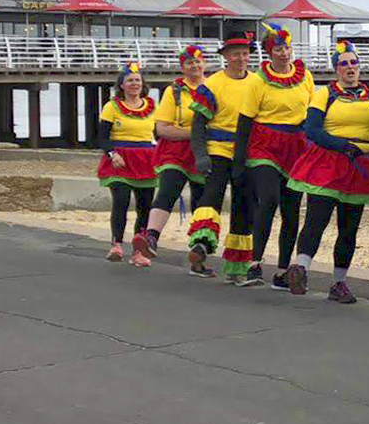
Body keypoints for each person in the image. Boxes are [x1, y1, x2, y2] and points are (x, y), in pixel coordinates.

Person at [284, 42, 369, 302]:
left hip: (360, 166)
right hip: (329, 162)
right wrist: (343, 146)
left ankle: (339, 283)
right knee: (317, 219)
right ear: (336, 69)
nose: (350, 67)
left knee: (349, 228)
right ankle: (301, 269)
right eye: (344, 64)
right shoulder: (325, 94)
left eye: (353, 63)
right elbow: (313, 130)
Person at [233, 24, 316, 288]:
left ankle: (282, 271)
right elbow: (244, 122)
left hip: (296, 145)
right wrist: (238, 162)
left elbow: (313, 113)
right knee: (268, 199)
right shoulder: (258, 81)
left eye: (287, 48)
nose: (284, 53)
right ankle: (254, 264)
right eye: (278, 49)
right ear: (269, 53)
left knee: (291, 210)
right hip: (265, 144)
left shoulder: (305, 77)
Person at [186, 32, 261, 280]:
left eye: (244, 53)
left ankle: (236, 267)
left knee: (244, 205)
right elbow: (198, 125)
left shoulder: (258, 82)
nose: (241, 58)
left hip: (246, 151)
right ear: (226, 57)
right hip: (218, 148)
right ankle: (201, 245)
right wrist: (200, 156)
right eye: (236, 54)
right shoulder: (212, 85)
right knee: (212, 194)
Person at [134, 44, 209, 263]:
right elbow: (162, 128)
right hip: (175, 151)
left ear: (204, 63)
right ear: (182, 67)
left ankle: (199, 250)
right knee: (168, 189)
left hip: (204, 153)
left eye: (198, 61)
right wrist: (195, 133)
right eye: (189, 63)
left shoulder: (214, 87)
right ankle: (151, 237)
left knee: (202, 201)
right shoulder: (174, 90)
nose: (194, 65)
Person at [96, 62, 157, 263]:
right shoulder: (111, 107)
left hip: (146, 160)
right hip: (119, 160)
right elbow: (102, 137)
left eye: (137, 80)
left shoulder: (152, 106)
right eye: (130, 80)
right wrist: (112, 153)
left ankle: (138, 251)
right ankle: (116, 244)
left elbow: (159, 134)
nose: (134, 83)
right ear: (121, 85)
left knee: (145, 206)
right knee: (121, 201)